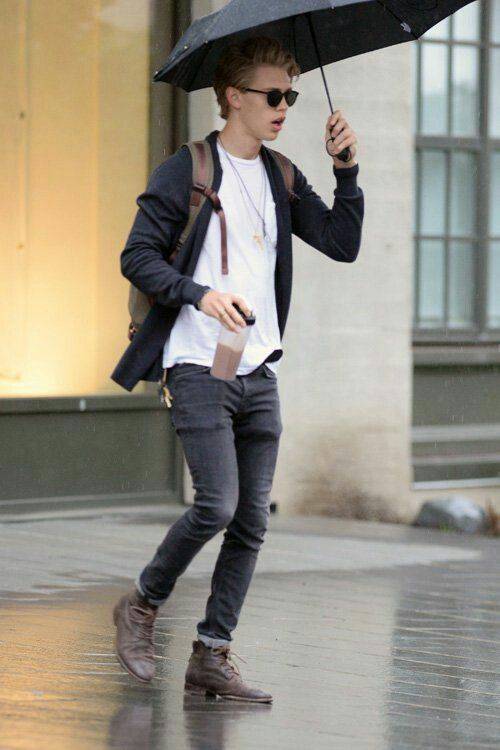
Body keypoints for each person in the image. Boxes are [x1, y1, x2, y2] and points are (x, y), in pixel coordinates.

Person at [112, 35, 364, 703]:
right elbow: (137, 257)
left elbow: (341, 243)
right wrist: (200, 295)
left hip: (257, 369)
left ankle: (212, 654)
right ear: (233, 97)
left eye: (291, 97)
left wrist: (345, 171)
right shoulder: (187, 169)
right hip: (198, 363)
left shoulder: (281, 175)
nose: (284, 107)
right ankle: (141, 604)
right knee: (217, 505)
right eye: (273, 95)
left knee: (251, 520)